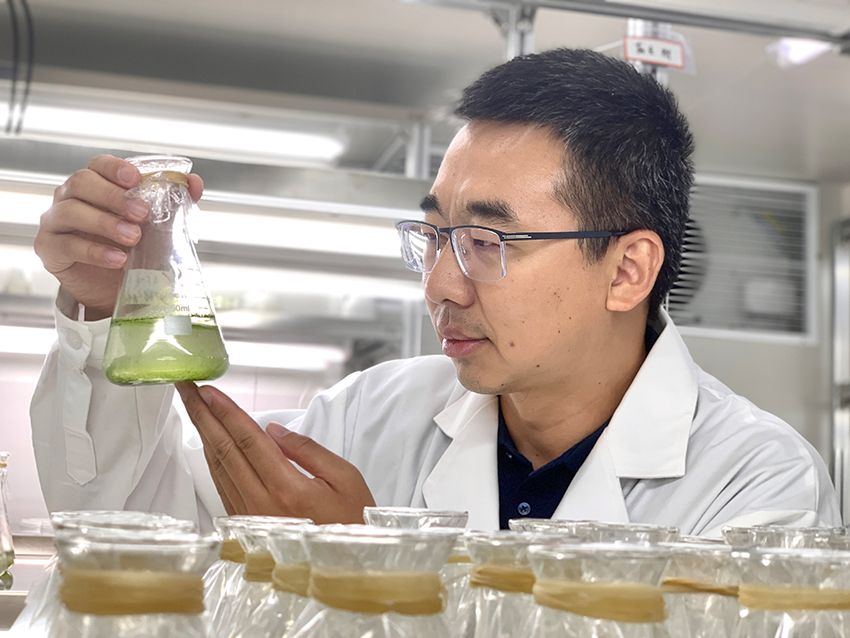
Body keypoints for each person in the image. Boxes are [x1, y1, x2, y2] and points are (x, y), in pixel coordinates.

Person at [30, 48, 840, 535]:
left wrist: (376, 580)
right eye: (434, 235)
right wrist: (105, 304)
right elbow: (135, 530)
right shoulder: (367, 416)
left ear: (627, 270)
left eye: (488, 242)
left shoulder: (758, 486)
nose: (442, 284)